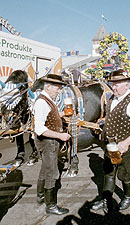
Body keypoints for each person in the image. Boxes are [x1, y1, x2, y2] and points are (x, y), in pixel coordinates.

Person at [92, 69, 130, 211]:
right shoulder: (112, 99)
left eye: (116, 84)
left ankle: (128, 196)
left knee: (123, 173)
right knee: (108, 172)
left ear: (127, 85)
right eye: (112, 84)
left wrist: (126, 143)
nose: (113, 87)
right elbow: (111, 118)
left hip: (125, 146)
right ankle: (106, 199)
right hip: (109, 145)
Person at [34, 73, 71, 215]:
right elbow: (40, 128)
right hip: (48, 142)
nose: (59, 91)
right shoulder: (42, 102)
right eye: (58, 88)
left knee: (45, 169)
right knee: (52, 173)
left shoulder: (47, 99)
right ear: (48, 86)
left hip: (50, 142)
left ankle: (41, 196)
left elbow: (49, 116)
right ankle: (51, 206)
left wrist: (61, 114)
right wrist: (61, 136)